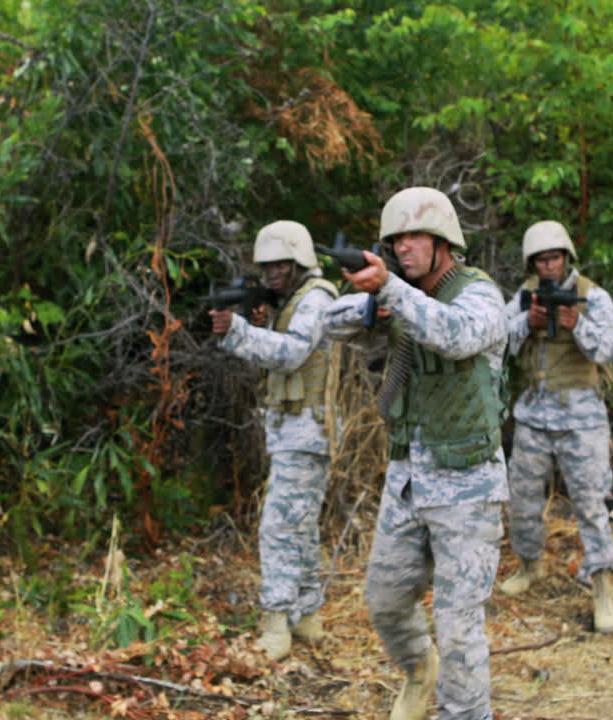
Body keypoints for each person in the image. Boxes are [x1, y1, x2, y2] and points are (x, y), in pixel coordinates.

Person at [323, 187, 507, 720]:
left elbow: (455, 334)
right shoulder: (398, 295)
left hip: (468, 488)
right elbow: (328, 324)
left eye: (414, 236)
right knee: (383, 599)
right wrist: (373, 300)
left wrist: (392, 293)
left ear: (443, 241)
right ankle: (418, 670)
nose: (403, 247)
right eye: (395, 239)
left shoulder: (479, 295)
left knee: (458, 628)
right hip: (408, 482)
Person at [210, 220, 340, 661]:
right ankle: (307, 616)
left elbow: (291, 354)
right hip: (294, 427)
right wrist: (259, 322)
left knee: (280, 528)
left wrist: (238, 331)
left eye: (282, 265)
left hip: (306, 429)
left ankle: (277, 621)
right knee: (300, 526)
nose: (273, 274)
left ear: (301, 260)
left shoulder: (317, 298)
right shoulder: (292, 301)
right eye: (267, 267)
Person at [498, 220, 613, 634]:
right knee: (523, 498)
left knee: (590, 503)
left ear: (566, 257)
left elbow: (610, 349)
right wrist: (526, 323)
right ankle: (530, 564)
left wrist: (576, 324)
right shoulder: (523, 296)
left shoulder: (592, 296)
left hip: (581, 417)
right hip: (533, 413)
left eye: (554, 258)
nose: (548, 266)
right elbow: (495, 341)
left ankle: (601, 585)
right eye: (540, 260)